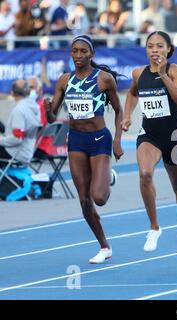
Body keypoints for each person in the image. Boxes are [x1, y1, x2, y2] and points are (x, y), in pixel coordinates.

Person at [45, 35, 124, 264]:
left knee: (99, 197)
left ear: (92, 54)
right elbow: (53, 119)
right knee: (84, 200)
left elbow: (119, 111)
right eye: (75, 51)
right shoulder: (64, 80)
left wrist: (117, 141)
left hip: (99, 139)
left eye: (83, 51)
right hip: (76, 141)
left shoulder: (104, 79)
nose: (78, 56)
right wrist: (49, 109)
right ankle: (104, 246)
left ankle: (107, 175)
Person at [121, 31, 177, 263]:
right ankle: (154, 227)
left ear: (168, 50)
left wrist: (163, 76)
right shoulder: (138, 73)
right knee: (145, 174)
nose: (154, 50)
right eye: (150, 46)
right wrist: (127, 115)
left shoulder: (175, 71)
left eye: (159, 46)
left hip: (173, 137)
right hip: (149, 136)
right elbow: (132, 94)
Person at [0, 80, 40, 165]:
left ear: (12, 93)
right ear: (29, 92)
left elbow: (17, 139)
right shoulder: (36, 108)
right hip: (27, 152)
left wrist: (1, 140)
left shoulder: (19, 110)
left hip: (16, 153)